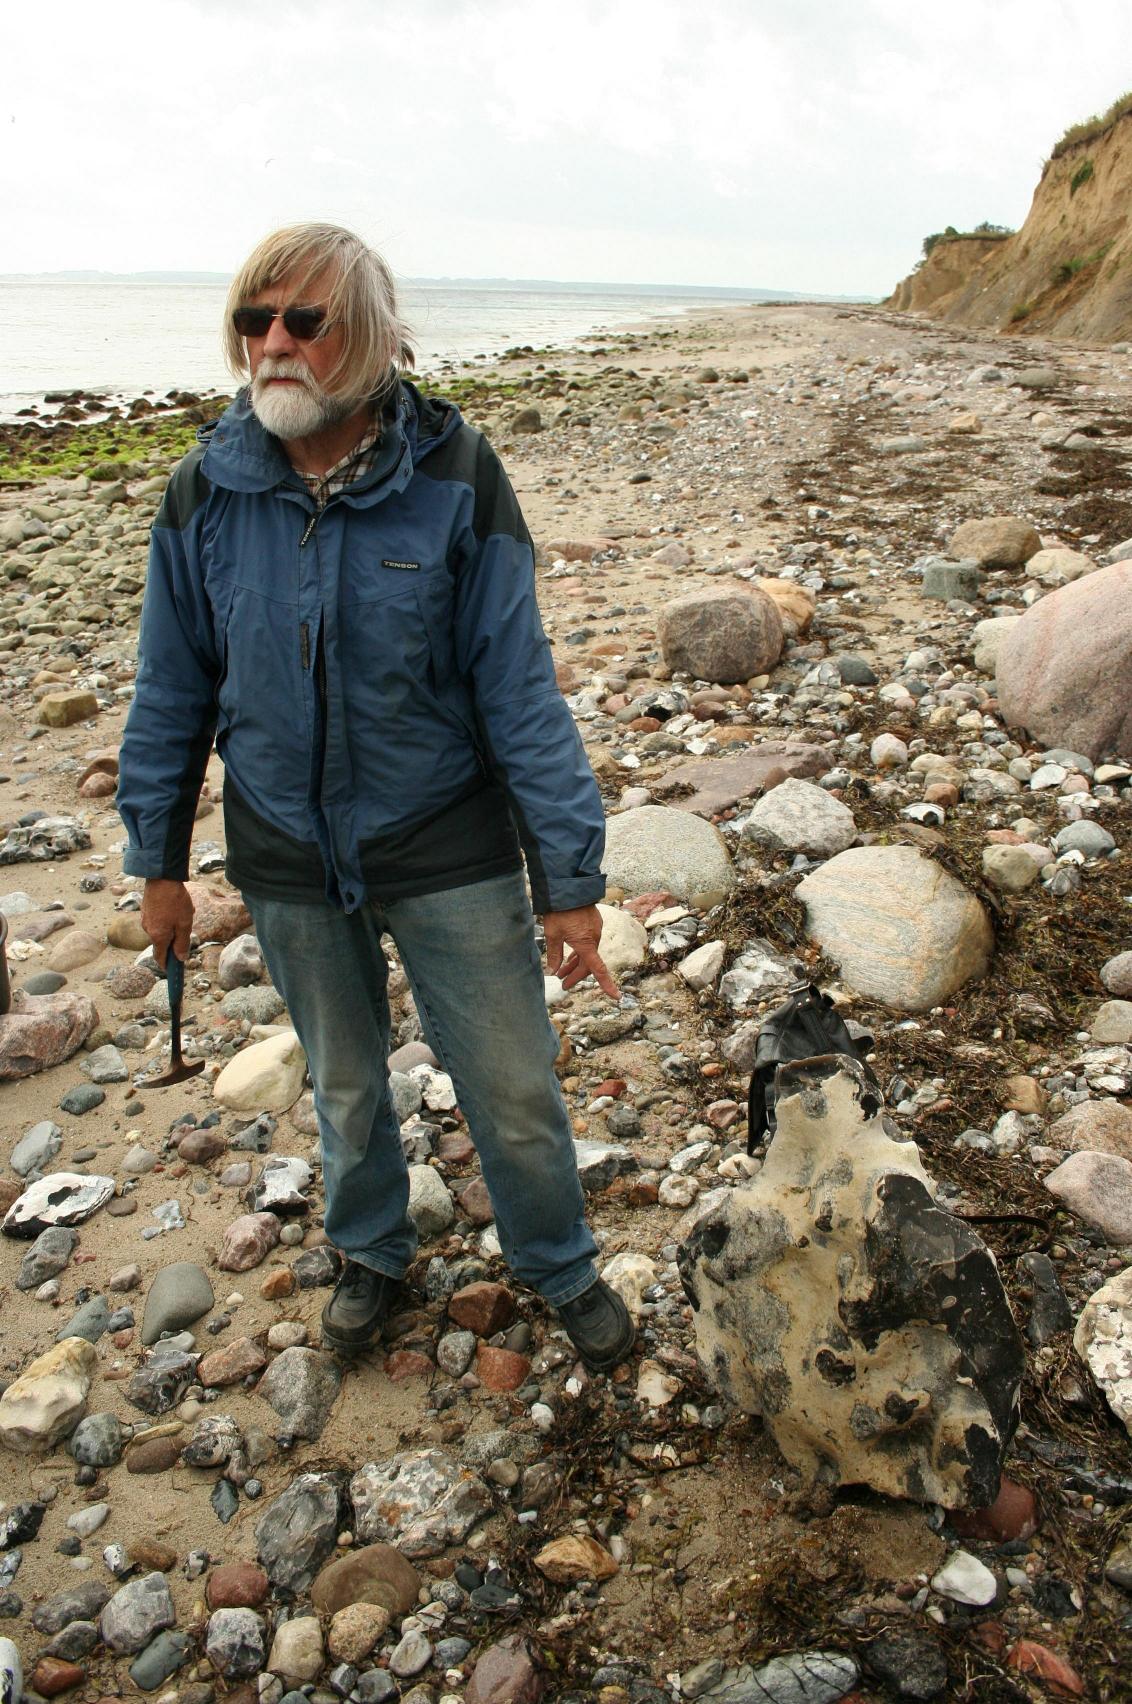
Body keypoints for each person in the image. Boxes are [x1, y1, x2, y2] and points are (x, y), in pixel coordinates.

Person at [117, 222, 636, 1372]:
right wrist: (156, 865)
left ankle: (559, 1263)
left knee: (511, 1083)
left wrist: (568, 881)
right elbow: (171, 690)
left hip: (445, 844)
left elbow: (519, 690)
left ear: (368, 337)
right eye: (254, 321)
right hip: (285, 856)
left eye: (304, 321)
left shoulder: (455, 478)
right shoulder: (205, 489)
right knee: (345, 1086)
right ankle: (370, 1252)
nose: (274, 343)